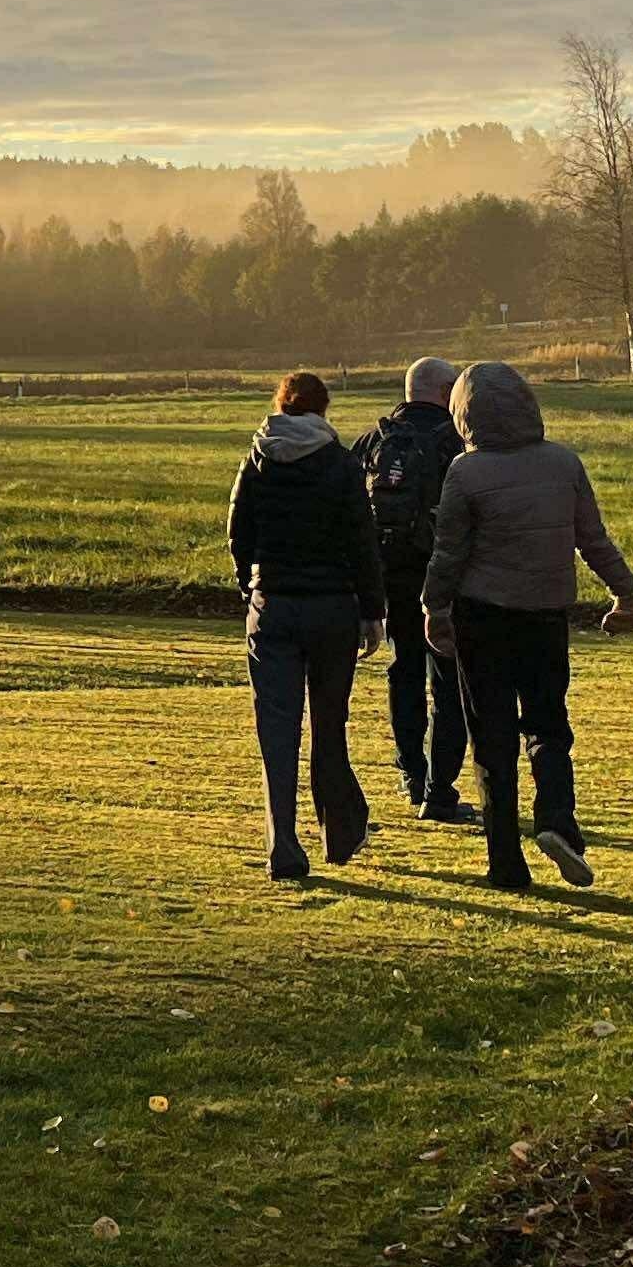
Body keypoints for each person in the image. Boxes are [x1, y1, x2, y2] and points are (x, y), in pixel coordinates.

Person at [421, 359, 633, 893]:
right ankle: (557, 821)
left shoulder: (465, 472)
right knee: (547, 725)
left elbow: (448, 553)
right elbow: (593, 539)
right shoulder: (563, 464)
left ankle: (506, 865)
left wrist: (435, 608)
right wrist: (626, 592)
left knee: (492, 738)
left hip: (483, 617)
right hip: (546, 615)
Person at [224, 367, 382, 882]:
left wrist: (251, 586)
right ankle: (338, 830)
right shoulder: (339, 463)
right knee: (329, 724)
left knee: (277, 730)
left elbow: (238, 530)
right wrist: (372, 611)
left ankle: (283, 846)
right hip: (333, 607)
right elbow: (363, 542)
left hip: (274, 605)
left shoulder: (258, 458)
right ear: (323, 409)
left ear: (281, 405)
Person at [358, 355, 469, 821]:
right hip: (445, 580)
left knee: (403, 669)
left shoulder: (375, 441)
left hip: (392, 577)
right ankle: (439, 788)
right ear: (445, 392)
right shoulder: (458, 444)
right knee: (448, 679)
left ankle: (409, 773)